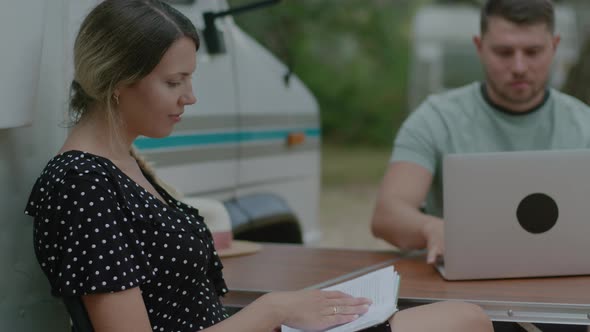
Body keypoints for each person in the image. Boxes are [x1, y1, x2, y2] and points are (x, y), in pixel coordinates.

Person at [24, 1, 493, 331]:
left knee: (459, 318)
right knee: (462, 321)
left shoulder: (122, 164)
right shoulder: (81, 185)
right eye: (174, 82)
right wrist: (271, 310)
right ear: (118, 82)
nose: (190, 97)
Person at [372, 0, 590, 265]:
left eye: (533, 52)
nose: (519, 66)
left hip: (568, 277)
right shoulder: (436, 118)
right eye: (504, 52)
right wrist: (430, 228)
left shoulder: (584, 123)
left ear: (554, 47)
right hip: (463, 283)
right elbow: (387, 214)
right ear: (479, 47)